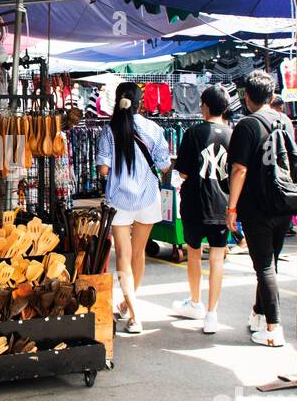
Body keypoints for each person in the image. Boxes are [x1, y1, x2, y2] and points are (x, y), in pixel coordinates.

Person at [225, 70, 296, 347]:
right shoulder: (285, 123)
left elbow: (239, 169)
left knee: (264, 265)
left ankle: (273, 327)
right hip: (283, 203)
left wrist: (231, 208)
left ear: (248, 96)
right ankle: (258, 313)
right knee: (269, 262)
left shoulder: (247, 125)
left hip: (256, 207)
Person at [96, 81, 171, 334]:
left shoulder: (109, 131)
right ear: (140, 103)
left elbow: (104, 169)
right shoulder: (153, 128)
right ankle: (130, 306)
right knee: (138, 255)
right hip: (148, 198)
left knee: (124, 259)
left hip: (119, 201)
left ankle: (134, 314)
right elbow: (163, 165)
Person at [170, 84, 231, 333]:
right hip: (222, 205)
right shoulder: (232, 134)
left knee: (193, 253)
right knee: (217, 257)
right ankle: (212, 314)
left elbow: (183, 171)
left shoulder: (192, 133)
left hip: (194, 202)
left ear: (204, 106)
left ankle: (195, 302)